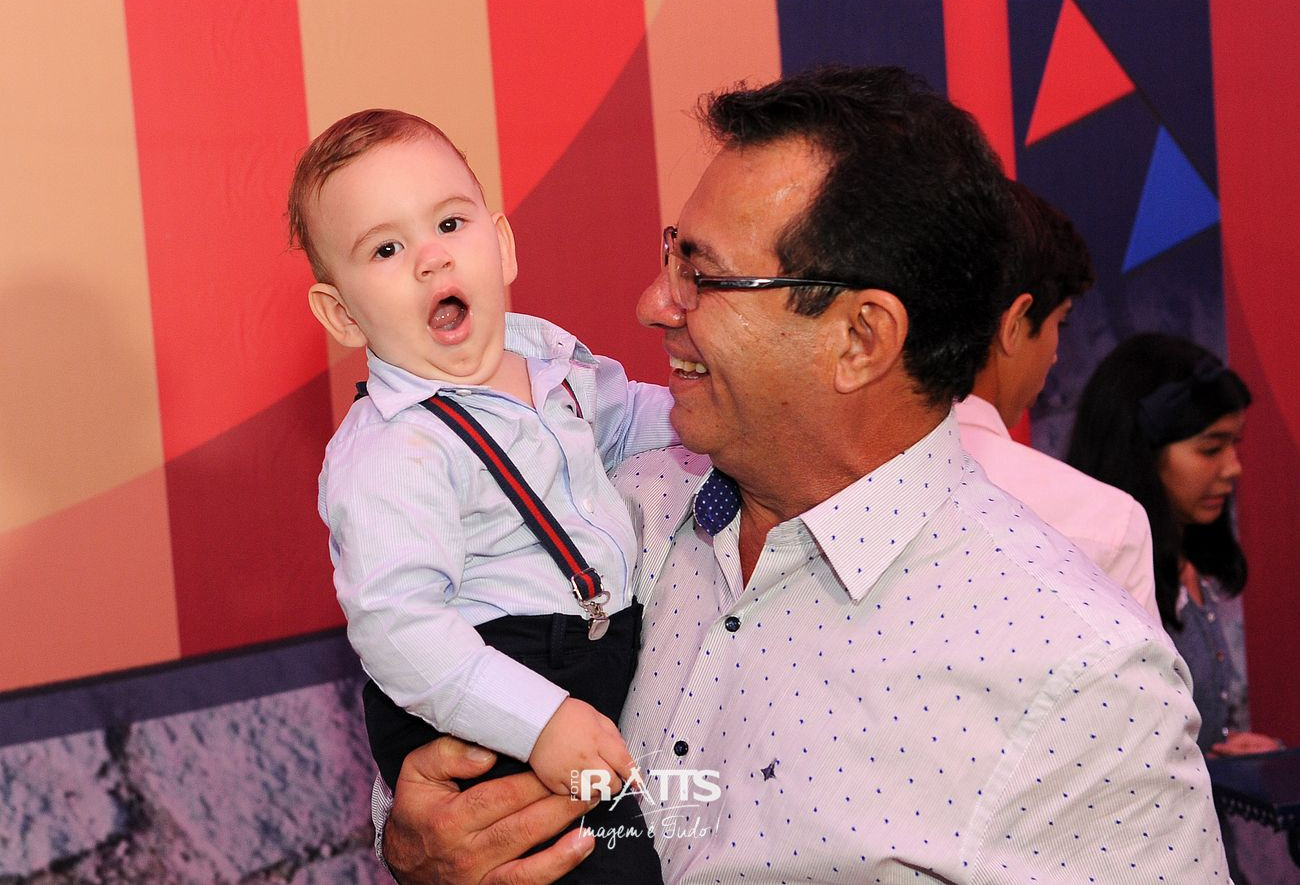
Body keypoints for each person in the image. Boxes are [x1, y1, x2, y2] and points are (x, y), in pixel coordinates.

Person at [375, 68, 1231, 883]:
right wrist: (411, 841)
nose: (654, 304)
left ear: (861, 338)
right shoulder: (615, 502)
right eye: (673, 254)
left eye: (702, 274)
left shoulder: (1081, 680)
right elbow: (441, 758)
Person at [288, 109, 673, 880]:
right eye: (387, 248)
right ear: (341, 313)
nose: (431, 257)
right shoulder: (394, 448)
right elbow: (398, 624)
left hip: (582, 664)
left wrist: (732, 409)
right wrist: (538, 720)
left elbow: (636, 418)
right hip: (483, 700)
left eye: (449, 223)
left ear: (502, 244)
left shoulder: (548, 358)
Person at [1067, 332, 1278, 757]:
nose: (1233, 468)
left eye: (1234, 444)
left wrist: (1226, 754)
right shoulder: (1097, 583)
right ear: (1143, 454)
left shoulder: (1194, 566)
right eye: (1211, 448)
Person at [955, 182, 1157, 617]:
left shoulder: (830, 490)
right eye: (1059, 324)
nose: (1056, 354)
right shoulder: (1106, 524)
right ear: (1014, 324)